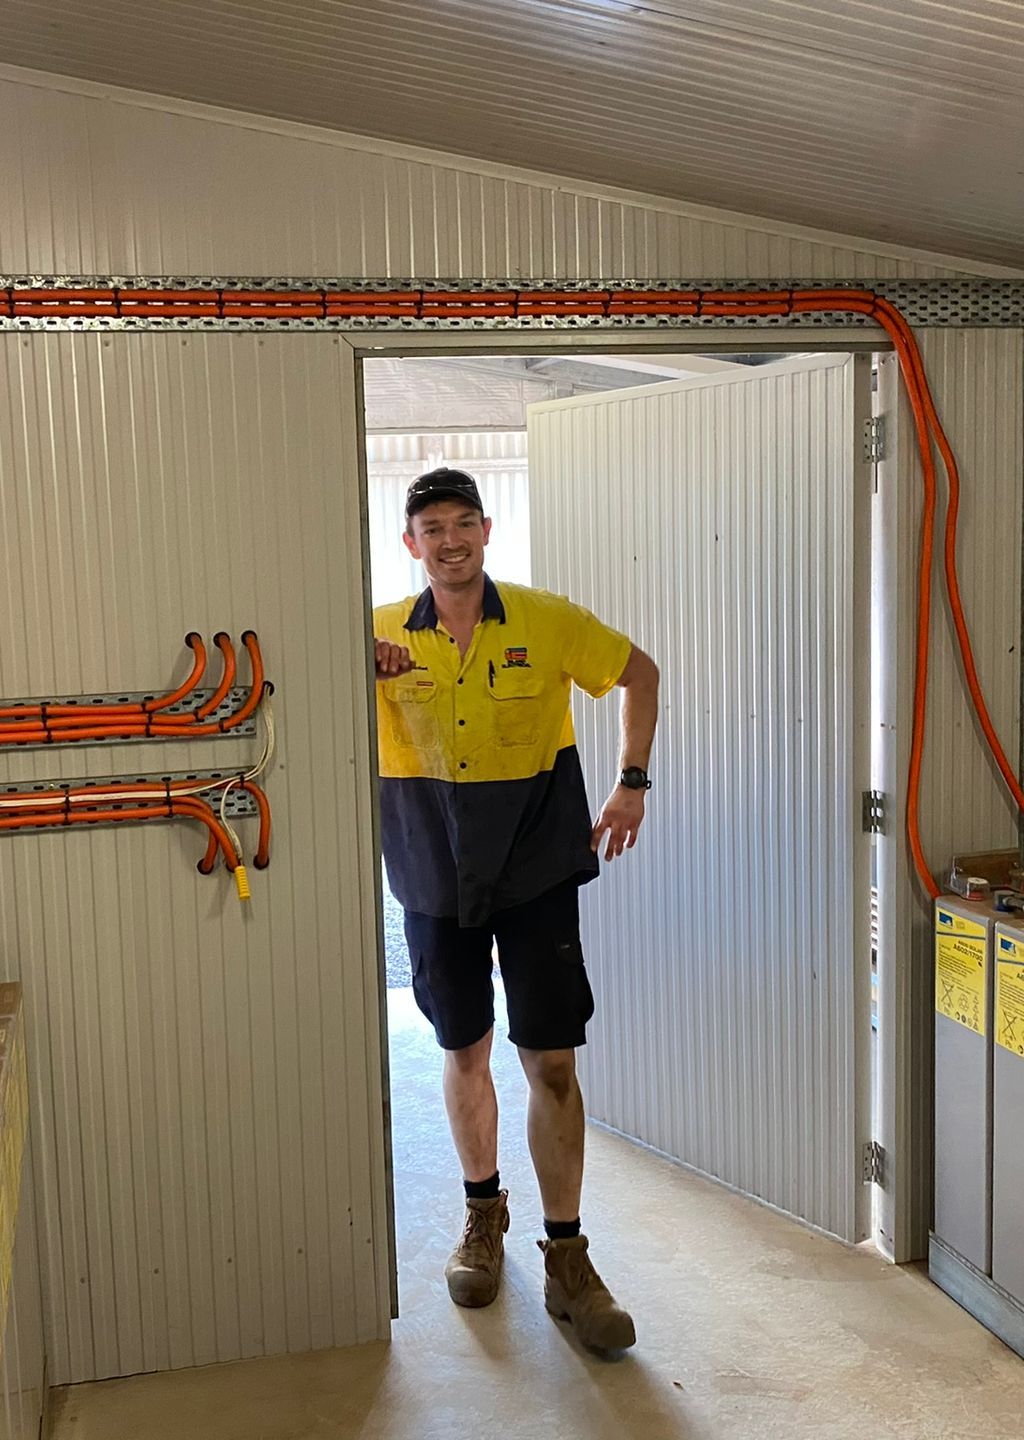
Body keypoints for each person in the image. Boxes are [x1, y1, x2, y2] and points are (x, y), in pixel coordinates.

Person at [373, 465, 659, 1353]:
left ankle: (568, 1258)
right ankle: (481, 1219)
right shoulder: (375, 633)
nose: (449, 540)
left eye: (464, 523)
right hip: (432, 869)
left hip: (536, 866)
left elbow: (639, 674)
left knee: (554, 1063)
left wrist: (631, 783)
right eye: (432, 527)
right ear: (410, 542)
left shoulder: (545, 618)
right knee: (463, 1049)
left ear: (487, 530)